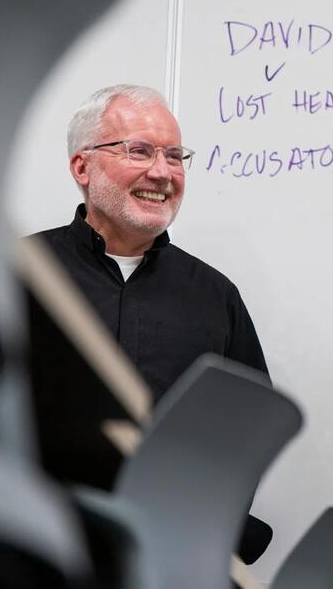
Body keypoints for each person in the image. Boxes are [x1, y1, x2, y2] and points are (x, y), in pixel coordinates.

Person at [31, 83, 272, 563]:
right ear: (82, 166)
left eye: (175, 156)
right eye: (139, 151)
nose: (162, 173)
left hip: (168, 556)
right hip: (36, 548)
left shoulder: (215, 296)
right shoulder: (23, 272)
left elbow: (250, 433)